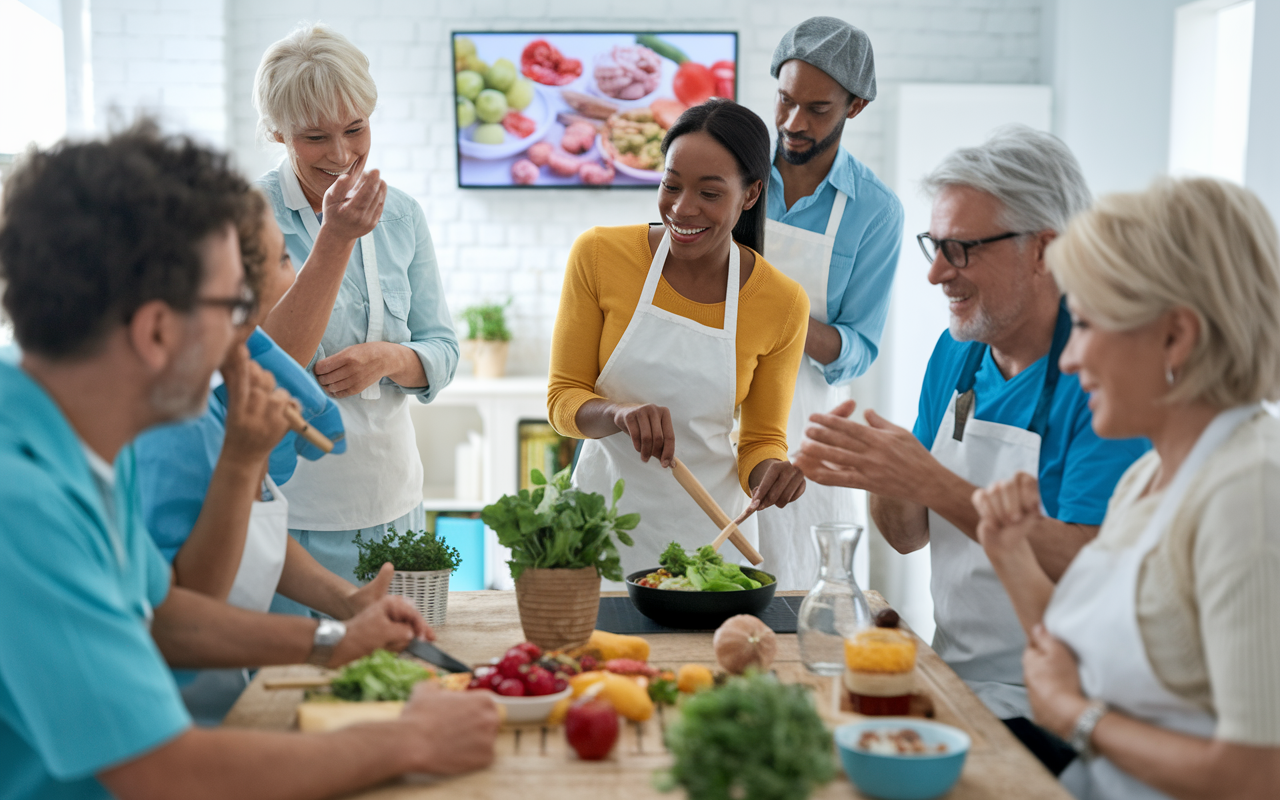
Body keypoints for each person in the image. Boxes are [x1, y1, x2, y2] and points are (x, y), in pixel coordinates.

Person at [0, 124, 498, 800]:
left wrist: (330, 639)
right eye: (239, 307)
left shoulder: (79, 442)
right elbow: (163, 769)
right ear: (155, 331)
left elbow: (164, 617)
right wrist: (410, 739)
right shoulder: (19, 503)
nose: (255, 341)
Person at [795, 126, 1149, 772]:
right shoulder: (958, 351)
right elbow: (907, 536)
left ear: (1043, 250)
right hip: (956, 677)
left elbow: (1089, 569)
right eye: (935, 246)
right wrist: (883, 468)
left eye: (959, 249)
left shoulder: (1105, 376)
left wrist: (932, 482)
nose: (935, 274)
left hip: (1066, 710)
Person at [973, 177, 1280, 799]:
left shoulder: (1250, 493)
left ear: (1176, 336)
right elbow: (1072, 664)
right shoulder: (1149, 475)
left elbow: (1257, 775)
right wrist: (1009, 552)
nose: (1067, 357)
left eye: (1083, 324)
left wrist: (1077, 719)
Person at [134, 188, 404, 724]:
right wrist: (331, 640)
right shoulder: (171, 426)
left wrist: (346, 602)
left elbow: (248, 528)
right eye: (284, 258)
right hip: (168, 716)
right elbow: (185, 610)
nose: (297, 272)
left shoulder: (215, 395)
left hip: (219, 705)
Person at [548, 99, 809, 578]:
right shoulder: (599, 255)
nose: (682, 208)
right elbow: (563, 402)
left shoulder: (783, 303)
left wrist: (771, 474)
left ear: (750, 194)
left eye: (709, 194)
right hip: (600, 529)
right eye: (671, 185)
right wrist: (617, 413)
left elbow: (762, 441)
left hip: (711, 546)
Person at [253, 24, 459, 602]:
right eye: (315, 136)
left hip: (394, 504)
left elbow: (443, 349)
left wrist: (392, 357)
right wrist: (336, 238)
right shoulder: (249, 218)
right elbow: (265, 367)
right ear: (278, 132)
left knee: (392, 679)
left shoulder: (402, 216)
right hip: (291, 512)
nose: (342, 154)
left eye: (356, 129)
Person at [760, 16, 904, 590]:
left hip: (804, 428)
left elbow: (858, 349)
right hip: (711, 410)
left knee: (798, 597)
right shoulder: (733, 174)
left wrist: (780, 312)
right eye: (786, 100)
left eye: (817, 110)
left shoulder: (875, 211)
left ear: (856, 107)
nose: (794, 123)